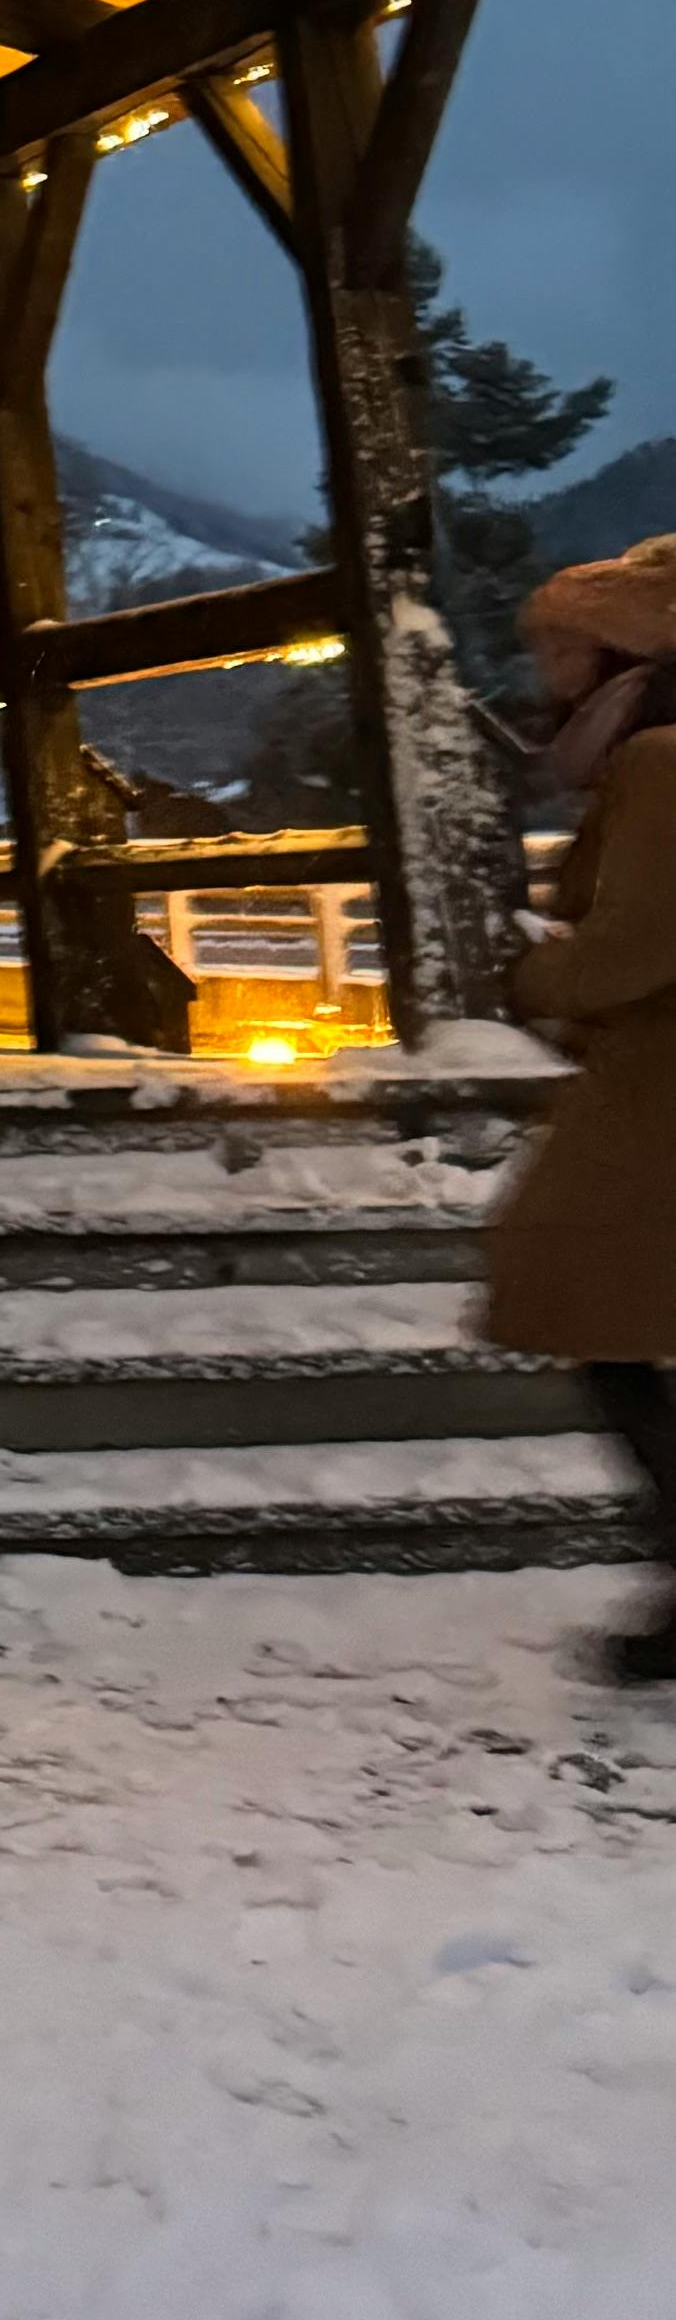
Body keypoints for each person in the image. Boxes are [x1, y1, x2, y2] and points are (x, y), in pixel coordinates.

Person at [485, 535, 676, 1682]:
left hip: (657, 1084)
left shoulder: (657, 761)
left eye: (560, 646)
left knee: (586, 1306)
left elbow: (642, 940)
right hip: (649, 1082)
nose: (547, 670)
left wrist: (537, 976)